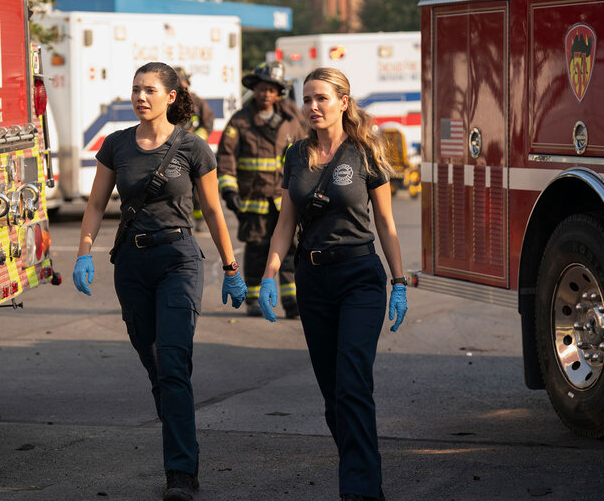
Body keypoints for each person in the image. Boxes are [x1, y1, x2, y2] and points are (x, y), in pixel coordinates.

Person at [72, 61, 247, 501]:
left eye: (149, 89)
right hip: (131, 264)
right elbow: (95, 204)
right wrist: (83, 252)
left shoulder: (192, 147)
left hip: (178, 260)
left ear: (171, 96)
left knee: (172, 362)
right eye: (135, 89)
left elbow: (211, 210)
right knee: (156, 367)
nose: (140, 97)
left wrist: (230, 267)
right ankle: (178, 431)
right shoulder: (116, 145)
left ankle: (181, 474)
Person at [257, 67, 408, 501]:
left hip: (359, 276)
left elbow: (385, 221)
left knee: (352, 383)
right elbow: (285, 223)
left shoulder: (366, 152)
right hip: (313, 278)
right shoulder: (296, 154)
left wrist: (398, 281)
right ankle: (363, 474)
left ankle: (358, 490)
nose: (313, 107)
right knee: (331, 391)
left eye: (322, 98)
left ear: (344, 101)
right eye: (307, 99)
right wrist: (270, 274)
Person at [217, 61, 306, 318]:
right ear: (254, 89)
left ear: (279, 93)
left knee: (290, 250)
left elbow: (305, 153)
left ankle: (292, 301)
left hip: (285, 199)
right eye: (262, 88)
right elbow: (226, 158)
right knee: (256, 250)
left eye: (271, 89)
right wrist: (229, 191)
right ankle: (253, 300)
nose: (266, 94)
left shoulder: (292, 120)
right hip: (253, 199)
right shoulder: (240, 121)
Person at [174, 66, 215, 229]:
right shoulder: (168, 102)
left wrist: (197, 138)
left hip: (193, 150)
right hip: (174, 150)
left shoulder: (197, 102)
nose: (179, 84)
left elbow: (208, 122)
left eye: (181, 81)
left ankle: (199, 219)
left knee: (199, 190)